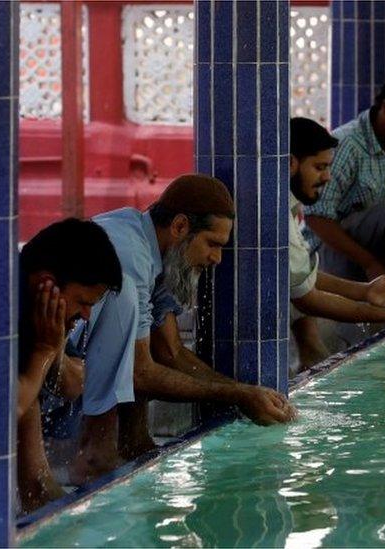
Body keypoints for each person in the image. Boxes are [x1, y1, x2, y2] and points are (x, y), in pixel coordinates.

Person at [69, 174, 296, 485]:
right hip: (55, 358)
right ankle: (95, 453)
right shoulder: (130, 256)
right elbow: (141, 372)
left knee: (140, 336)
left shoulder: (157, 252)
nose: (216, 259)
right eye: (213, 244)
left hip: (75, 360)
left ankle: (134, 445)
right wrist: (240, 396)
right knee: (127, 315)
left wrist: (247, 393)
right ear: (179, 227)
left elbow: (171, 352)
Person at [288, 117, 385, 368]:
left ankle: (311, 359)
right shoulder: (277, 215)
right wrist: (382, 313)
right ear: (290, 163)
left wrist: (365, 290)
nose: (327, 177)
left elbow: (301, 274)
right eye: (319, 167)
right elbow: (306, 297)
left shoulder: (289, 207)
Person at [17, 218, 123, 512]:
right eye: (82, 302)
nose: (87, 315)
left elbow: (74, 383)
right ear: (46, 284)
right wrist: (43, 352)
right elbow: (3, 410)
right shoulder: (0, 309)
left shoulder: (41, 318)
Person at [304, 78, 385, 282]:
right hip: (326, 258)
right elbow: (316, 216)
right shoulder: (348, 144)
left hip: (364, 256)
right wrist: (371, 264)